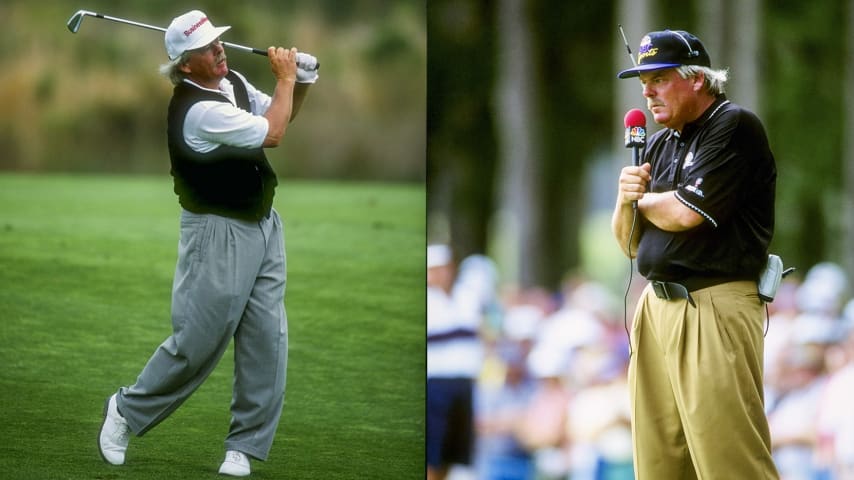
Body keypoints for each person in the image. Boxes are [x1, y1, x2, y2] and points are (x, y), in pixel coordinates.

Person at [96, 10, 317, 477]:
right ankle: (124, 410)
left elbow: (279, 114)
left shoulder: (230, 82)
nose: (219, 51)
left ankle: (243, 447)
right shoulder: (197, 109)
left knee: (266, 341)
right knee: (197, 343)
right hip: (216, 232)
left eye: (218, 42)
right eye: (207, 49)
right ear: (185, 64)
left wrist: (302, 80)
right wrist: (285, 77)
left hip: (263, 223)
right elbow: (273, 134)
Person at [612, 30, 779, 478]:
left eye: (659, 79)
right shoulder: (662, 142)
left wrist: (642, 201)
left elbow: (687, 212)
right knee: (659, 463)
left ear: (697, 80)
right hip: (656, 308)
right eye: (643, 82)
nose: (646, 92)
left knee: (730, 462)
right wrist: (623, 198)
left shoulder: (733, 125)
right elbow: (628, 242)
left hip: (713, 305)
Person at [427, 244, 483, 480]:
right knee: (433, 452)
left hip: (464, 383)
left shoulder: (467, 297)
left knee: (454, 451)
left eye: (444, 268)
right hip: (435, 384)